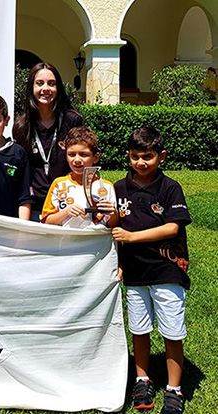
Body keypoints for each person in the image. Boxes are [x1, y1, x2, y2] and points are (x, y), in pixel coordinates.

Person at [112, 127, 191, 414]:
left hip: (167, 270)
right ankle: (142, 380)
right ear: (128, 156)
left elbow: (172, 227)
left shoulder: (170, 187)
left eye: (147, 156)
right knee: (139, 329)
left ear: (161, 156)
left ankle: (174, 389)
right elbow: (112, 225)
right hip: (135, 273)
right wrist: (119, 261)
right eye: (135, 156)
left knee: (172, 331)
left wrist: (132, 237)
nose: (141, 162)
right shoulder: (119, 188)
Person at [13, 62, 84, 221]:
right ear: (31, 88)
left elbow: (84, 158)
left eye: (51, 84)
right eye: (40, 83)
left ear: (58, 88)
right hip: (34, 205)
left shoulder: (72, 120)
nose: (46, 88)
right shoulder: (21, 126)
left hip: (68, 204)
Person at [41, 126, 117, 228]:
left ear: (95, 158)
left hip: (96, 238)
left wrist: (112, 213)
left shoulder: (106, 187)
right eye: (71, 154)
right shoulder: (59, 184)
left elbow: (113, 224)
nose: (77, 160)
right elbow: (46, 220)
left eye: (83, 155)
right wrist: (65, 212)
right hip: (65, 237)